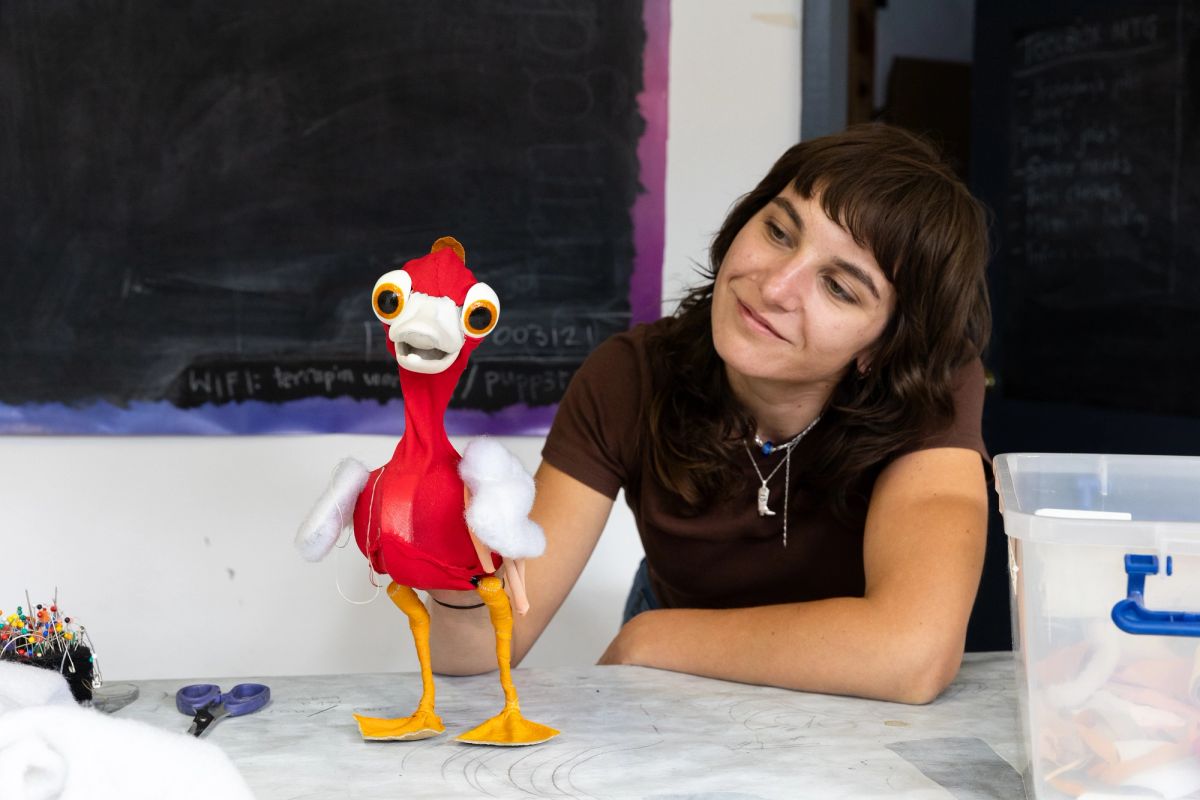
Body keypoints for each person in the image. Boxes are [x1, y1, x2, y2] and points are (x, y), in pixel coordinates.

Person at [428, 123, 992, 704]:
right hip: (678, 686)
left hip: (832, 686)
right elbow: (481, 651)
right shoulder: (630, 375)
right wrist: (458, 579)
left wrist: (652, 638)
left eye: (840, 288)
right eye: (778, 231)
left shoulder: (931, 390)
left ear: (883, 347)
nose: (775, 287)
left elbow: (912, 654)